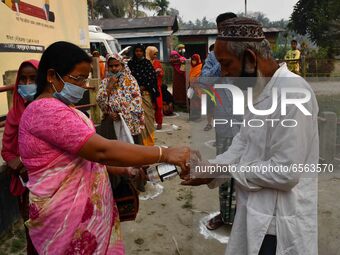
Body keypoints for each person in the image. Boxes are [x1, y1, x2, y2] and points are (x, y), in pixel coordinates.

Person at [18, 41, 190, 255]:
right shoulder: (45, 111)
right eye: (77, 79)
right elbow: (103, 151)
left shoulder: (64, 108)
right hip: (66, 218)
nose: (82, 86)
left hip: (87, 214)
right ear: (51, 76)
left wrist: (124, 170)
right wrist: (164, 153)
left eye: (84, 79)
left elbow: (84, 159)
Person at [182, 17, 318, 255]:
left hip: (279, 222)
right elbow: (242, 144)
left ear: (250, 58)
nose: (223, 74)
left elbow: (286, 172)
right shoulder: (256, 90)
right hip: (253, 212)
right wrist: (210, 168)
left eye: (226, 64)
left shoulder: (294, 93)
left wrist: (226, 171)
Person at [199, 12, 240, 231]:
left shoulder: (247, 51)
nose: (226, 33)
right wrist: (222, 62)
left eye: (230, 28)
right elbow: (205, 80)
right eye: (222, 29)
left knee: (250, 169)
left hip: (249, 120)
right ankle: (225, 215)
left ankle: (244, 216)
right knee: (224, 169)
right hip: (225, 121)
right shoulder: (214, 55)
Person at [1, 60, 39, 255]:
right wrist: (14, 161)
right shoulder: (14, 113)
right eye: (22, 79)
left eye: (32, 78)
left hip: (53, 184)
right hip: (26, 186)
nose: (26, 84)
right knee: (33, 232)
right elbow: (6, 150)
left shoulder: (52, 109)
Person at [97, 53, 144, 144]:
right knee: (112, 151)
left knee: (131, 151)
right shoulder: (105, 82)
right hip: (111, 121)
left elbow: (137, 102)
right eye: (111, 66)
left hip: (129, 122)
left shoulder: (131, 80)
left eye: (116, 65)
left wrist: (120, 114)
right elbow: (100, 101)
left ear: (122, 65)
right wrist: (109, 87)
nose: (114, 68)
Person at [128, 44, 158, 146]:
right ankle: (138, 144)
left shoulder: (147, 64)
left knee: (147, 119)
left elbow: (152, 79)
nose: (138, 53)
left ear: (143, 52)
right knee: (135, 119)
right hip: (132, 96)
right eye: (136, 51)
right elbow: (127, 79)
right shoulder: (130, 64)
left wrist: (143, 87)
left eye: (140, 51)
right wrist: (135, 88)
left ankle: (149, 143)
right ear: (134, 52)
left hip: (145, 95)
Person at [146, 46, 164, 130]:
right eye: (154, 54)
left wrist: (159, 72)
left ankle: (159, 122)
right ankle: (149, 123)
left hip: (157, 87)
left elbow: (162, 73)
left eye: (156, 54)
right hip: (148, 87)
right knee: (149, 106)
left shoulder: (157, 62)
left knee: (159, 105)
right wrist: (153, 72)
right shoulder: (145, 63)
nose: (155, 56)